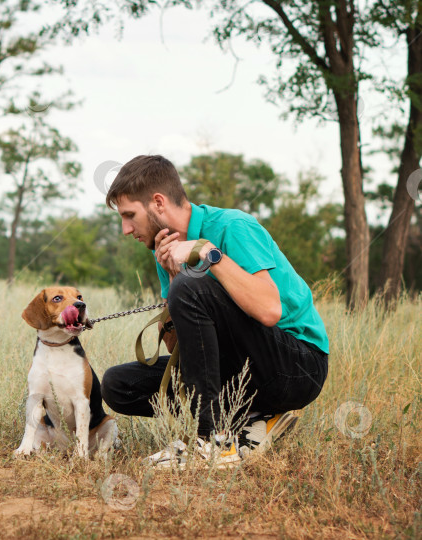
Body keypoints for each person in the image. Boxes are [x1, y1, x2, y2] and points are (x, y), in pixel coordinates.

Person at [100, 155, 329, 468]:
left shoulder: (233, 226)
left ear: (158, 203)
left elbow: (270, 310)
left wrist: (208, 254)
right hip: (236, 369)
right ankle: (254, 420)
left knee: (190, 286)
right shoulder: (164, 249)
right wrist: (175, 279)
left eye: (129, 215)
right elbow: (183, 348)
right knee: (117, 384)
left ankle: (213, 443)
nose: (126, 229)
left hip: (297, 366)